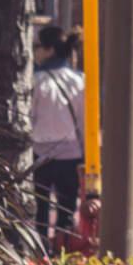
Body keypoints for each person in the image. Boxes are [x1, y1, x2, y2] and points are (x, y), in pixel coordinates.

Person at [31, 25, 85, 244]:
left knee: (40, 209)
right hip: (71, 154)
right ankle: (63, 251)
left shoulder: (35, 81)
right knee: (66, 209)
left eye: (37, 46)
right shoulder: (80, 81)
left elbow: (28, 116)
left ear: (49, 49)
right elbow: (84, 122)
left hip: (41, 154)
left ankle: (42, 253)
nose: (34, 52)